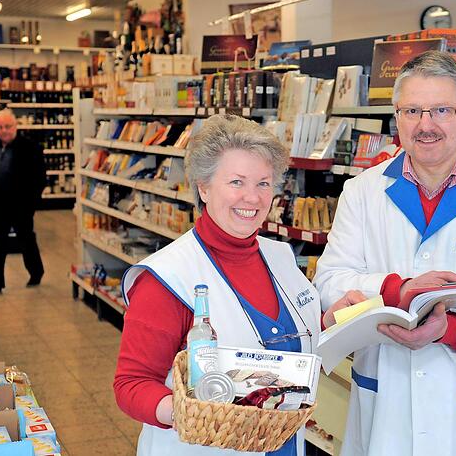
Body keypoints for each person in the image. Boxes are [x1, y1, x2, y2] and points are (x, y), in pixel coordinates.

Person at [315, 51, 456, 455]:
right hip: (385, 402)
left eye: (441, 109)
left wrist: (449, 331)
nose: (426, 125)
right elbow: (329, 281)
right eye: (412, 110)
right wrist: (396, 290)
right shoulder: (362, 192)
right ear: (397, 117)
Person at [115, 115, 339, 456]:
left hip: (282, 445)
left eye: (264, 183)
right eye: (237, 182)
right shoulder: (168, 277)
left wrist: (329, 322)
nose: (252, 197)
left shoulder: (281, 258)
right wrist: (188, 413)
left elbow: (286, 339)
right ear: (203, 187)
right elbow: (130, 385)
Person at [0, 108, 45, 297]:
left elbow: (40, 178)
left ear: (15, 126)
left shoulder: (29, 148)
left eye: (7, 126)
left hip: (21, 206)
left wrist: (31, 203)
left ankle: (36, 272)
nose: (4, 130)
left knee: (26, 240)